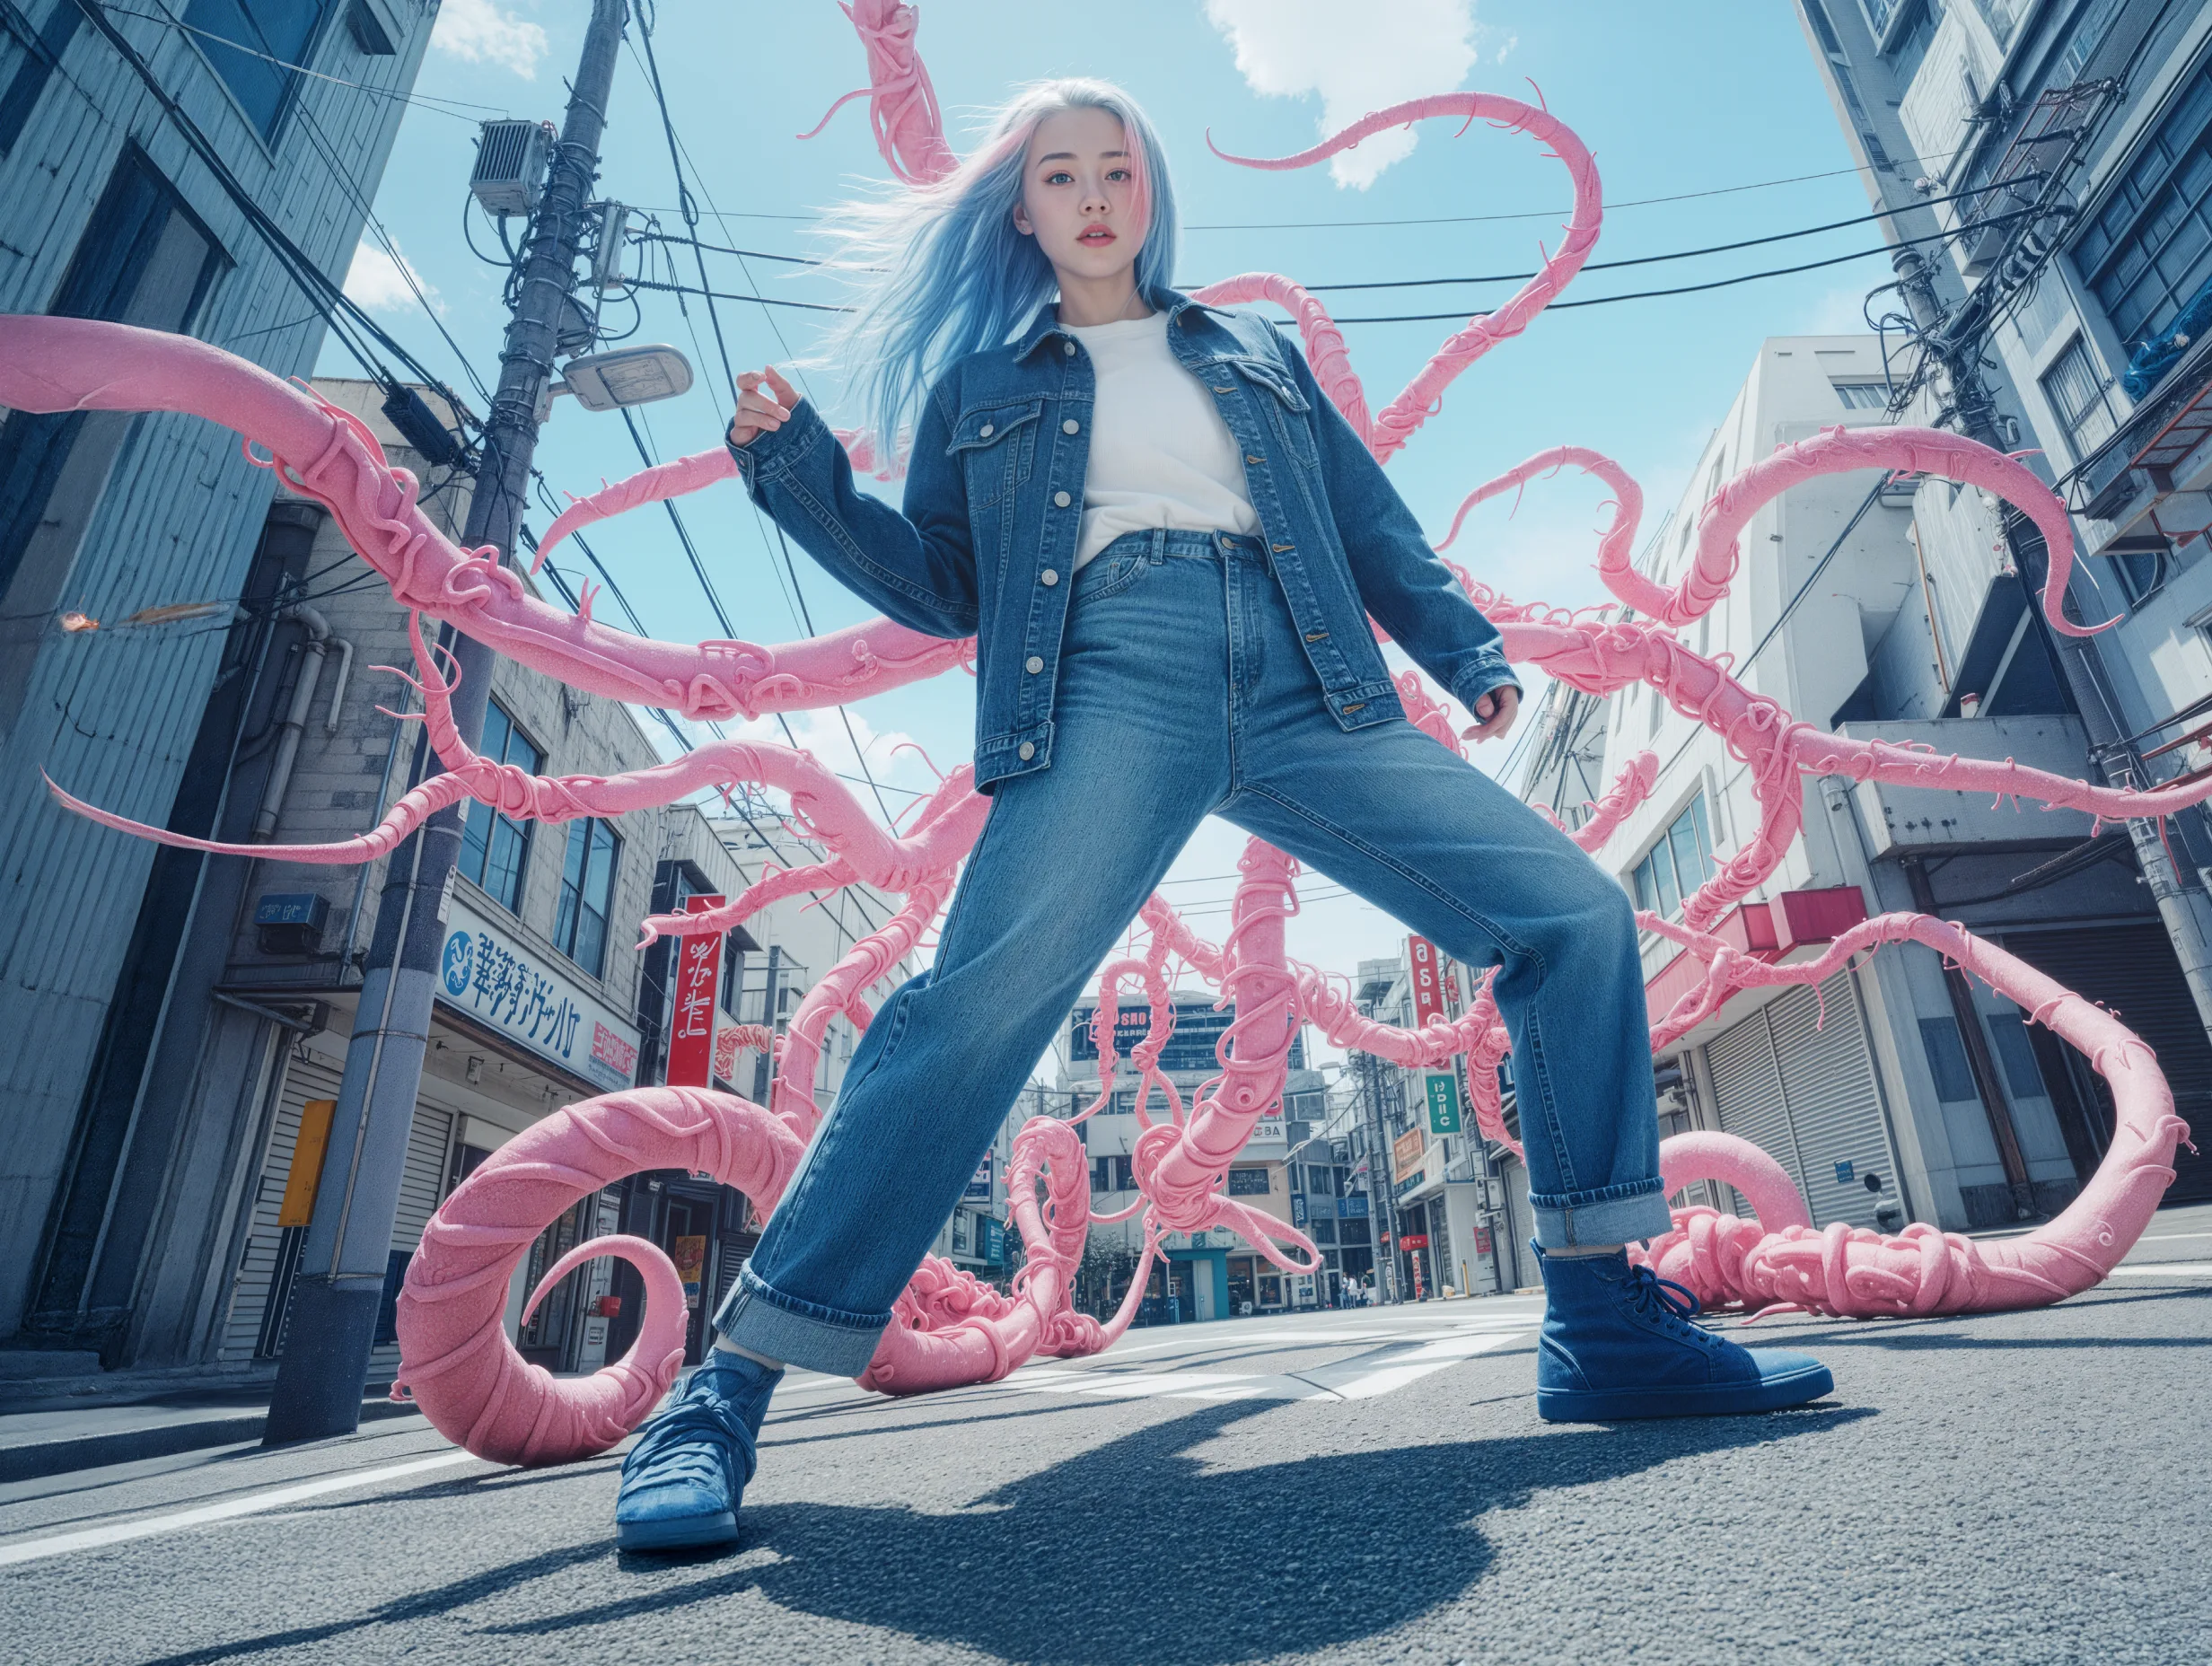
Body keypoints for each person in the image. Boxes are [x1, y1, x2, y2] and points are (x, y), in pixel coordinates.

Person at [612, 79, 1831, 1553]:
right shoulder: (988, 387)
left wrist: (1460, 645)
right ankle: (721, 1399)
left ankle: (1607, 1325)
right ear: (1023, 209)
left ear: (1150, 187)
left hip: (1309, 673)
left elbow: (1365, 512)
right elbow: (942, 588)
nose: (1092, 193)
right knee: (971, 1010)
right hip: (1112, 677)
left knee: (1570, 917)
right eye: (1059, 175)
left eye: (1115, 166)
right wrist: (795, 473)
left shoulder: (1252, 347)